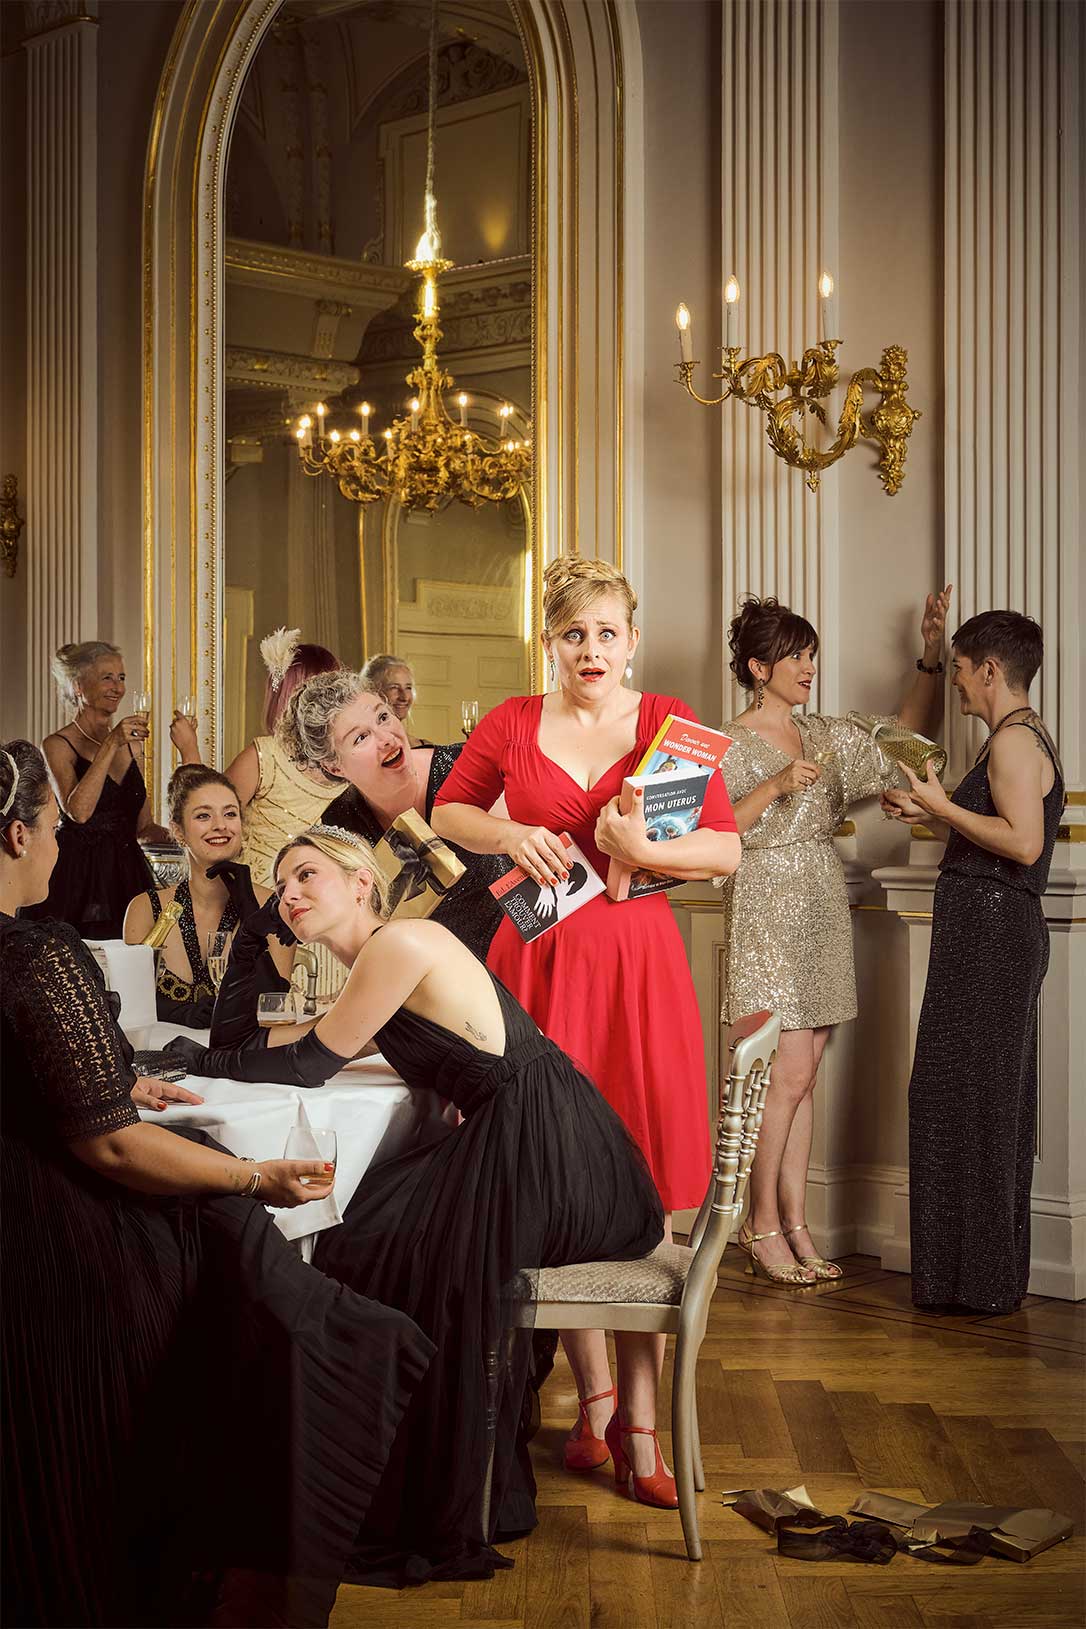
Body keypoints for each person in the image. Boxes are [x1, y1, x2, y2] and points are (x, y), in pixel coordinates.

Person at [0, 742, 433, 1628]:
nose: (57, 845)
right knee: (227, 1237)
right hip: (39, 1228)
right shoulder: (36, 951)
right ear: (16, 835)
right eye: (50, 828)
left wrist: (114, 1080)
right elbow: (116, 1153)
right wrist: (253, 1172)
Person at [164, 823, 665, 1584]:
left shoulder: (397, 945)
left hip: (548, 1148)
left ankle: (372, 1468)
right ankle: (367, 1447)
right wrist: (223, 1033)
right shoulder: (383, 958)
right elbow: (312, 1041)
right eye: (280, 885)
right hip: (541, 1131)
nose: (288, 895)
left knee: (362, 1242)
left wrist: (196, 1059)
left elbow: (308, 1061)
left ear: (361, 880)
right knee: (369, 1226)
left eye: (306, 877)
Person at [430, 555, 741, 1496]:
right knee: (560, 1173)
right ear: (550, 642)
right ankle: (596, 1402)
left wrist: (642, 846)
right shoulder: (512, 721)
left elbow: (724, 850)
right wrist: (505, 833)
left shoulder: (668, 727)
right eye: (573, 633)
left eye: (607, 632)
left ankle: (642, 1428)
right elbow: (447, 809)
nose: (590, 649)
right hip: (538, 962)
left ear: (632, 638)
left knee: (639, 1177)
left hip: (637, 968)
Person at [718, 588, 952, 1285]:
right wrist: (776, 785)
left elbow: (905, 735)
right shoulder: (724, 741)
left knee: (806, 1074)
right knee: (779, 1076)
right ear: (758, 668)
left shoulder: (822, 733)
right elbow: (709, 830)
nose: (808, 665)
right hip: (764, 900)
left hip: (820, 899)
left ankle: (795, 1220)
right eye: (794, 654)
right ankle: (757, 1225)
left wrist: (929, 660)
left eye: (811, 652)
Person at [881, 611, 1064, 1315]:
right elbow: (994, 833)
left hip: (992, 935)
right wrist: (927, 811)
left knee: (973, 1103)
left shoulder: (1015, 742)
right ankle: (970, 1279)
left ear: (990, 670)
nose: (955, 678)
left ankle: (976, 1282)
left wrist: (940, 807)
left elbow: (1020, 844)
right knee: (967, 1101)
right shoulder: (1010, 741)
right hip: (984, 934)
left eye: (959, 666)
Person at [284, 669, 507, 960]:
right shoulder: (342, 825)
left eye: (383, 717)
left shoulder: (469, 768)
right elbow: (364, 933)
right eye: (361, 737)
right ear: (334, 767)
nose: (386, 738)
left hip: (521, 965)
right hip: (429, 984)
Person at [28, 640, 199, 938]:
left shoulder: (132, 744)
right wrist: (111, 743)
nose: (117, 687)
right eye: (107, 677)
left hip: (126, 874)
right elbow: (78, 812)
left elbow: (143, 825)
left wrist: (186, 834)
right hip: (76, 879)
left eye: (121, 678)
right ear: (78, 686)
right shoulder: (56, 745)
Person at [123, 765, 295, 1027]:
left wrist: (248, 906)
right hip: (164, 1056)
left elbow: (273, 999)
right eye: (203, 816)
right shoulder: (145, 909)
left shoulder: (275, 907)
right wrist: (180, 1013)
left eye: (230, 814)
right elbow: (129, 1001)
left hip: (243, 1059)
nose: (220, 826)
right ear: (178, 831)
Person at [224, 627, 345, 887]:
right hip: (260, 897)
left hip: (327, 900)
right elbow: (214, 824)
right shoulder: (262, 757)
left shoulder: (348, 761)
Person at [361, 652, 434, 747]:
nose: (404, 697)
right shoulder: (365, 747)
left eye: (408, 688)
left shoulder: (425, 746)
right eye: (394, 687)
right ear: (372, 691)